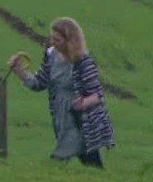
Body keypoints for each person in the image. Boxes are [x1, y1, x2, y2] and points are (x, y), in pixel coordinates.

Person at [9, 17, 115, 168]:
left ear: (70, 40)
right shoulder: (51, 56)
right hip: (60, 114)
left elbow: (97, 95)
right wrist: (19, 71)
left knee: (62, 155)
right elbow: (39, 83)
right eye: (53, 38)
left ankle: (47, 177)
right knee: (89, 159)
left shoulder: (83, 62)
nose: (54, 43)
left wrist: (83, 103)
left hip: (79, 119)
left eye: (58, 40)